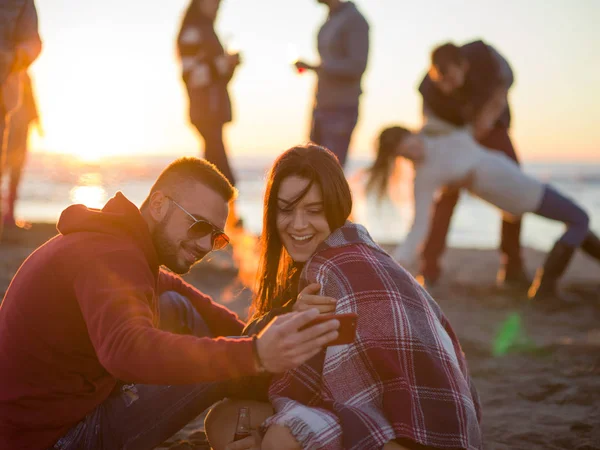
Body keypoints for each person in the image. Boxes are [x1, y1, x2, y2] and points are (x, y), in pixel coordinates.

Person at [0, 157, 341, 450]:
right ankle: (297, 404)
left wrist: (249, 334)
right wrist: (254, 353)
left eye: (217, 236)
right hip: (55, 437)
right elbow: (125, 350)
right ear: (160, 204)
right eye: (198, 226)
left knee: (179, 306)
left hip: (63, 407)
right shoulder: (109, 256)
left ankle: (281, 393)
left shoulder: (122, 242)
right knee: (223, 364)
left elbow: (176, 289)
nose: (206, 245)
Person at [205, 145, 482, 450]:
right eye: (286, 209)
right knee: (224, 420)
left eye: (314, 210)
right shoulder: (330, 262)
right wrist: (287, 315)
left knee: (281, 439)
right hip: (375, 414)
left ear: (336, 208)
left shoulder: (342, 266)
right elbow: (272, 374)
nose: (298, 224)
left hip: (415, 431)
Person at [367, 126, 600, 304]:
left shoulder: (445, 134)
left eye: (409, 143)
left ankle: (546, 284)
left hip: (522, 181)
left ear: (411, 133)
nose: (413, 152)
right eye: (406, 154)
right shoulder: (425, 176)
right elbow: (419, 225)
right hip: (521, 194)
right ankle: (545, 285)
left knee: (577, 222)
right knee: (579, 219)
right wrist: (397, 263)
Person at [417, 40, 525, 288]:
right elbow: (430, 129)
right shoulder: (427, 88)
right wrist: (455, 159)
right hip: (452, 133)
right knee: (446, 195)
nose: (446, 88)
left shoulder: (486, 58)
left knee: (515, 186)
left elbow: (500, 94)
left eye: (451, 80)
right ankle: (429, 267)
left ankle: (512, 264)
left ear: (463, 65)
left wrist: (478, 132)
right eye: (440, 82)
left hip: (491, 125)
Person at [294, 0, 369, 168]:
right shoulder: (332, 18)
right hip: (322, 104)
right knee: (313, 169)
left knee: (330, 172)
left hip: (340, 108)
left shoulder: (354, 20)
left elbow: (357, 66)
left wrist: (317, 67)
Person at [177, 0, 240, 188]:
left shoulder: (205, 30)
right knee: (221, 174)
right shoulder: (193, 32)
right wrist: (223, 64)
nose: (217, 6)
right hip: (205, 110)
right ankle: (226, 215)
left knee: (215, 170)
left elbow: (216, 79)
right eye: (215, 2)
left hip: (212, 110)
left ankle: (221, 215)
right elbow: (191, 75)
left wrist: (229, 67)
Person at [0, 0, 41, 238]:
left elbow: (32, 43)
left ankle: (8, 215)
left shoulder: (26, 79)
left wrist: (11, 58)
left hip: (9, 109)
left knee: (12, 169)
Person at [3, 71, 40, 227]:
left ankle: (9, 215)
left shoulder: (24, 75)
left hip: (20, 131)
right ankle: (9, 216)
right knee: (11, 174)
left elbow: (32, 101)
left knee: (15, 175)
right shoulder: (12, 73)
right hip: (11, 131)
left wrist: (38, 122)